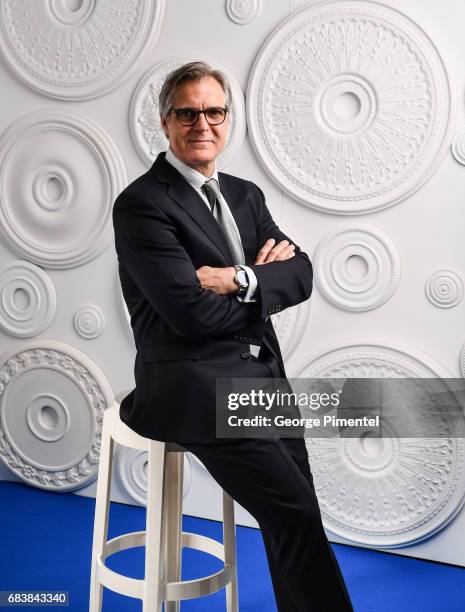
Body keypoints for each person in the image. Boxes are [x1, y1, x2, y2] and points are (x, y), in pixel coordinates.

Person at [113, 61, 354, 611]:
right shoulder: (142, 204)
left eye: (214, 111)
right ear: (165, 121)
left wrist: (238, 279)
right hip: (190, 384)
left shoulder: (244, 196)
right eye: (188, 112)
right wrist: (263, 289)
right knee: (292, 511)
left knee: (298, 510)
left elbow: (304, 274)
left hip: (260, 375)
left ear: (228, 119)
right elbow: (190, 317)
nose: (203, 123)